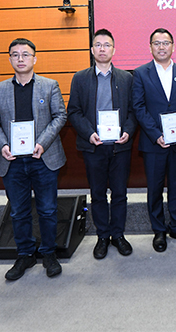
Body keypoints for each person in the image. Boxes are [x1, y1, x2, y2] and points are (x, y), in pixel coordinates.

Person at [0, 38, 67, 280]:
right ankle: (25, 254)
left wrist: (42, 142)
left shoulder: (49, 85)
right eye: (15, 54)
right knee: (18, 211)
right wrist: (3, 145)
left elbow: (60, 116)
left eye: (25, 54)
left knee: (48, 210)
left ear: (34, 58)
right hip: (12, 161)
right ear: (10, 58)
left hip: (43, 157)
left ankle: (49, 253)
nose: (20, 59)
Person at [68, 28, 137, 259]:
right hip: (93, 146)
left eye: (107, 45)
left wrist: (128, 131)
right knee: (97, 194)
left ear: (114, 50)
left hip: (120, 146)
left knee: (119, 193)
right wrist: (89, 133)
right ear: (92, 49)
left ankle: (118, 235)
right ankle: (102, 236)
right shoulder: (80, 78)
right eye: (98, 45)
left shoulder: (127, 78)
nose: (102, 49)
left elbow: (133, 111)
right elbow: (74, 111)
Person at [132, 28, 176, 252]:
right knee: (155, 188)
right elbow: (138, 107)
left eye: (166, 43)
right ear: (150, 47)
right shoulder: (140, 73)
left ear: (173, 46)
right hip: (154, 143)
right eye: (157, 43)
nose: (162, 47)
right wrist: (156, 134)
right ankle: (159, 230)